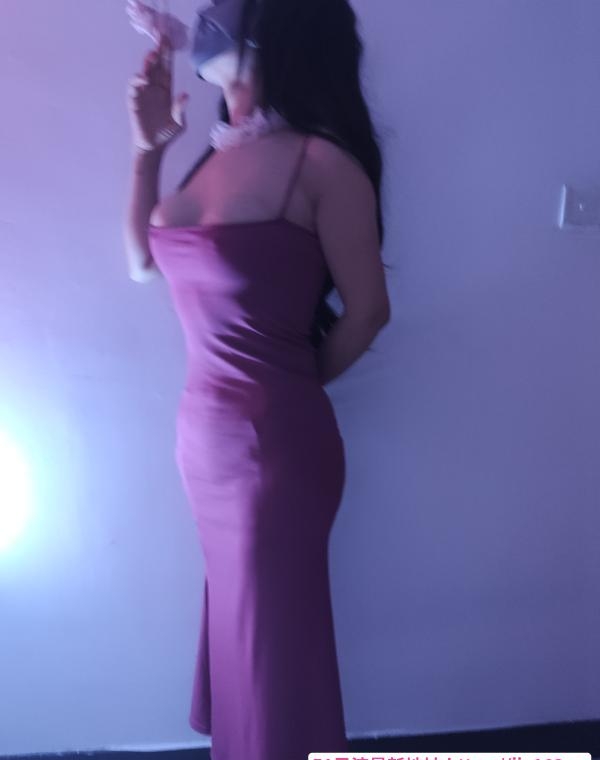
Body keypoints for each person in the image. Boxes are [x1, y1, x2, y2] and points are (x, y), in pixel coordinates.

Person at [124, 1, 390, 758]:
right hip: (204, 446)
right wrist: (146, 150)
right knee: (249, 643)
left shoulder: (322, 164)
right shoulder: (211, 156)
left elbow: (369, 311)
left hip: (270, 451)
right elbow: (141, 263)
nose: (208, 13)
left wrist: (290, 387)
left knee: (270, 653)